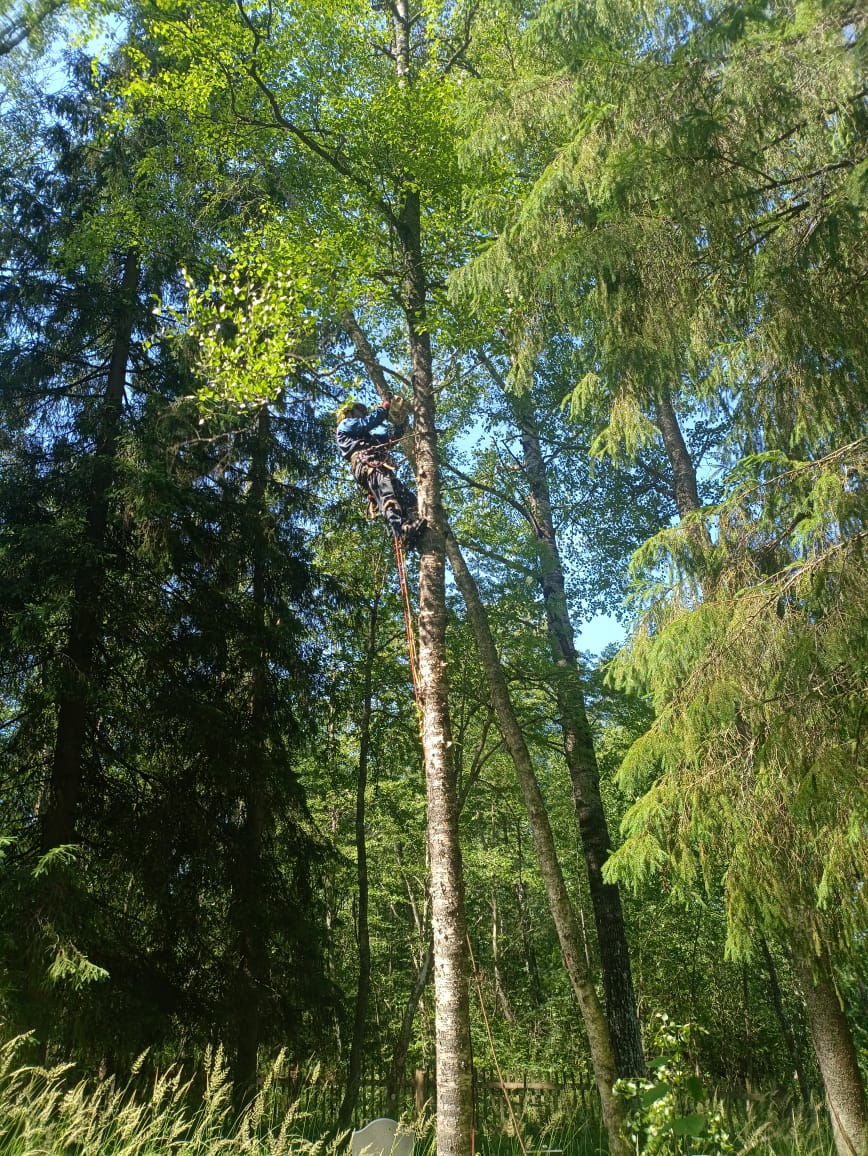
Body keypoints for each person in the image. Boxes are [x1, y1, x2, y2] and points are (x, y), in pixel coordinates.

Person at [336, 398, 426, 548]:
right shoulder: (345, 425)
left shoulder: (368, 438)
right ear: (349, 412)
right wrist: (383, 409)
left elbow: (390, 438)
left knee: (407, 497)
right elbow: (367, 423)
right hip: (368, 464)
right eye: (361, 411)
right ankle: (402, 530)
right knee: (388, 496)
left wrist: (402, 421)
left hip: (377, 464)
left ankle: (413, 524)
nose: (363, 414)